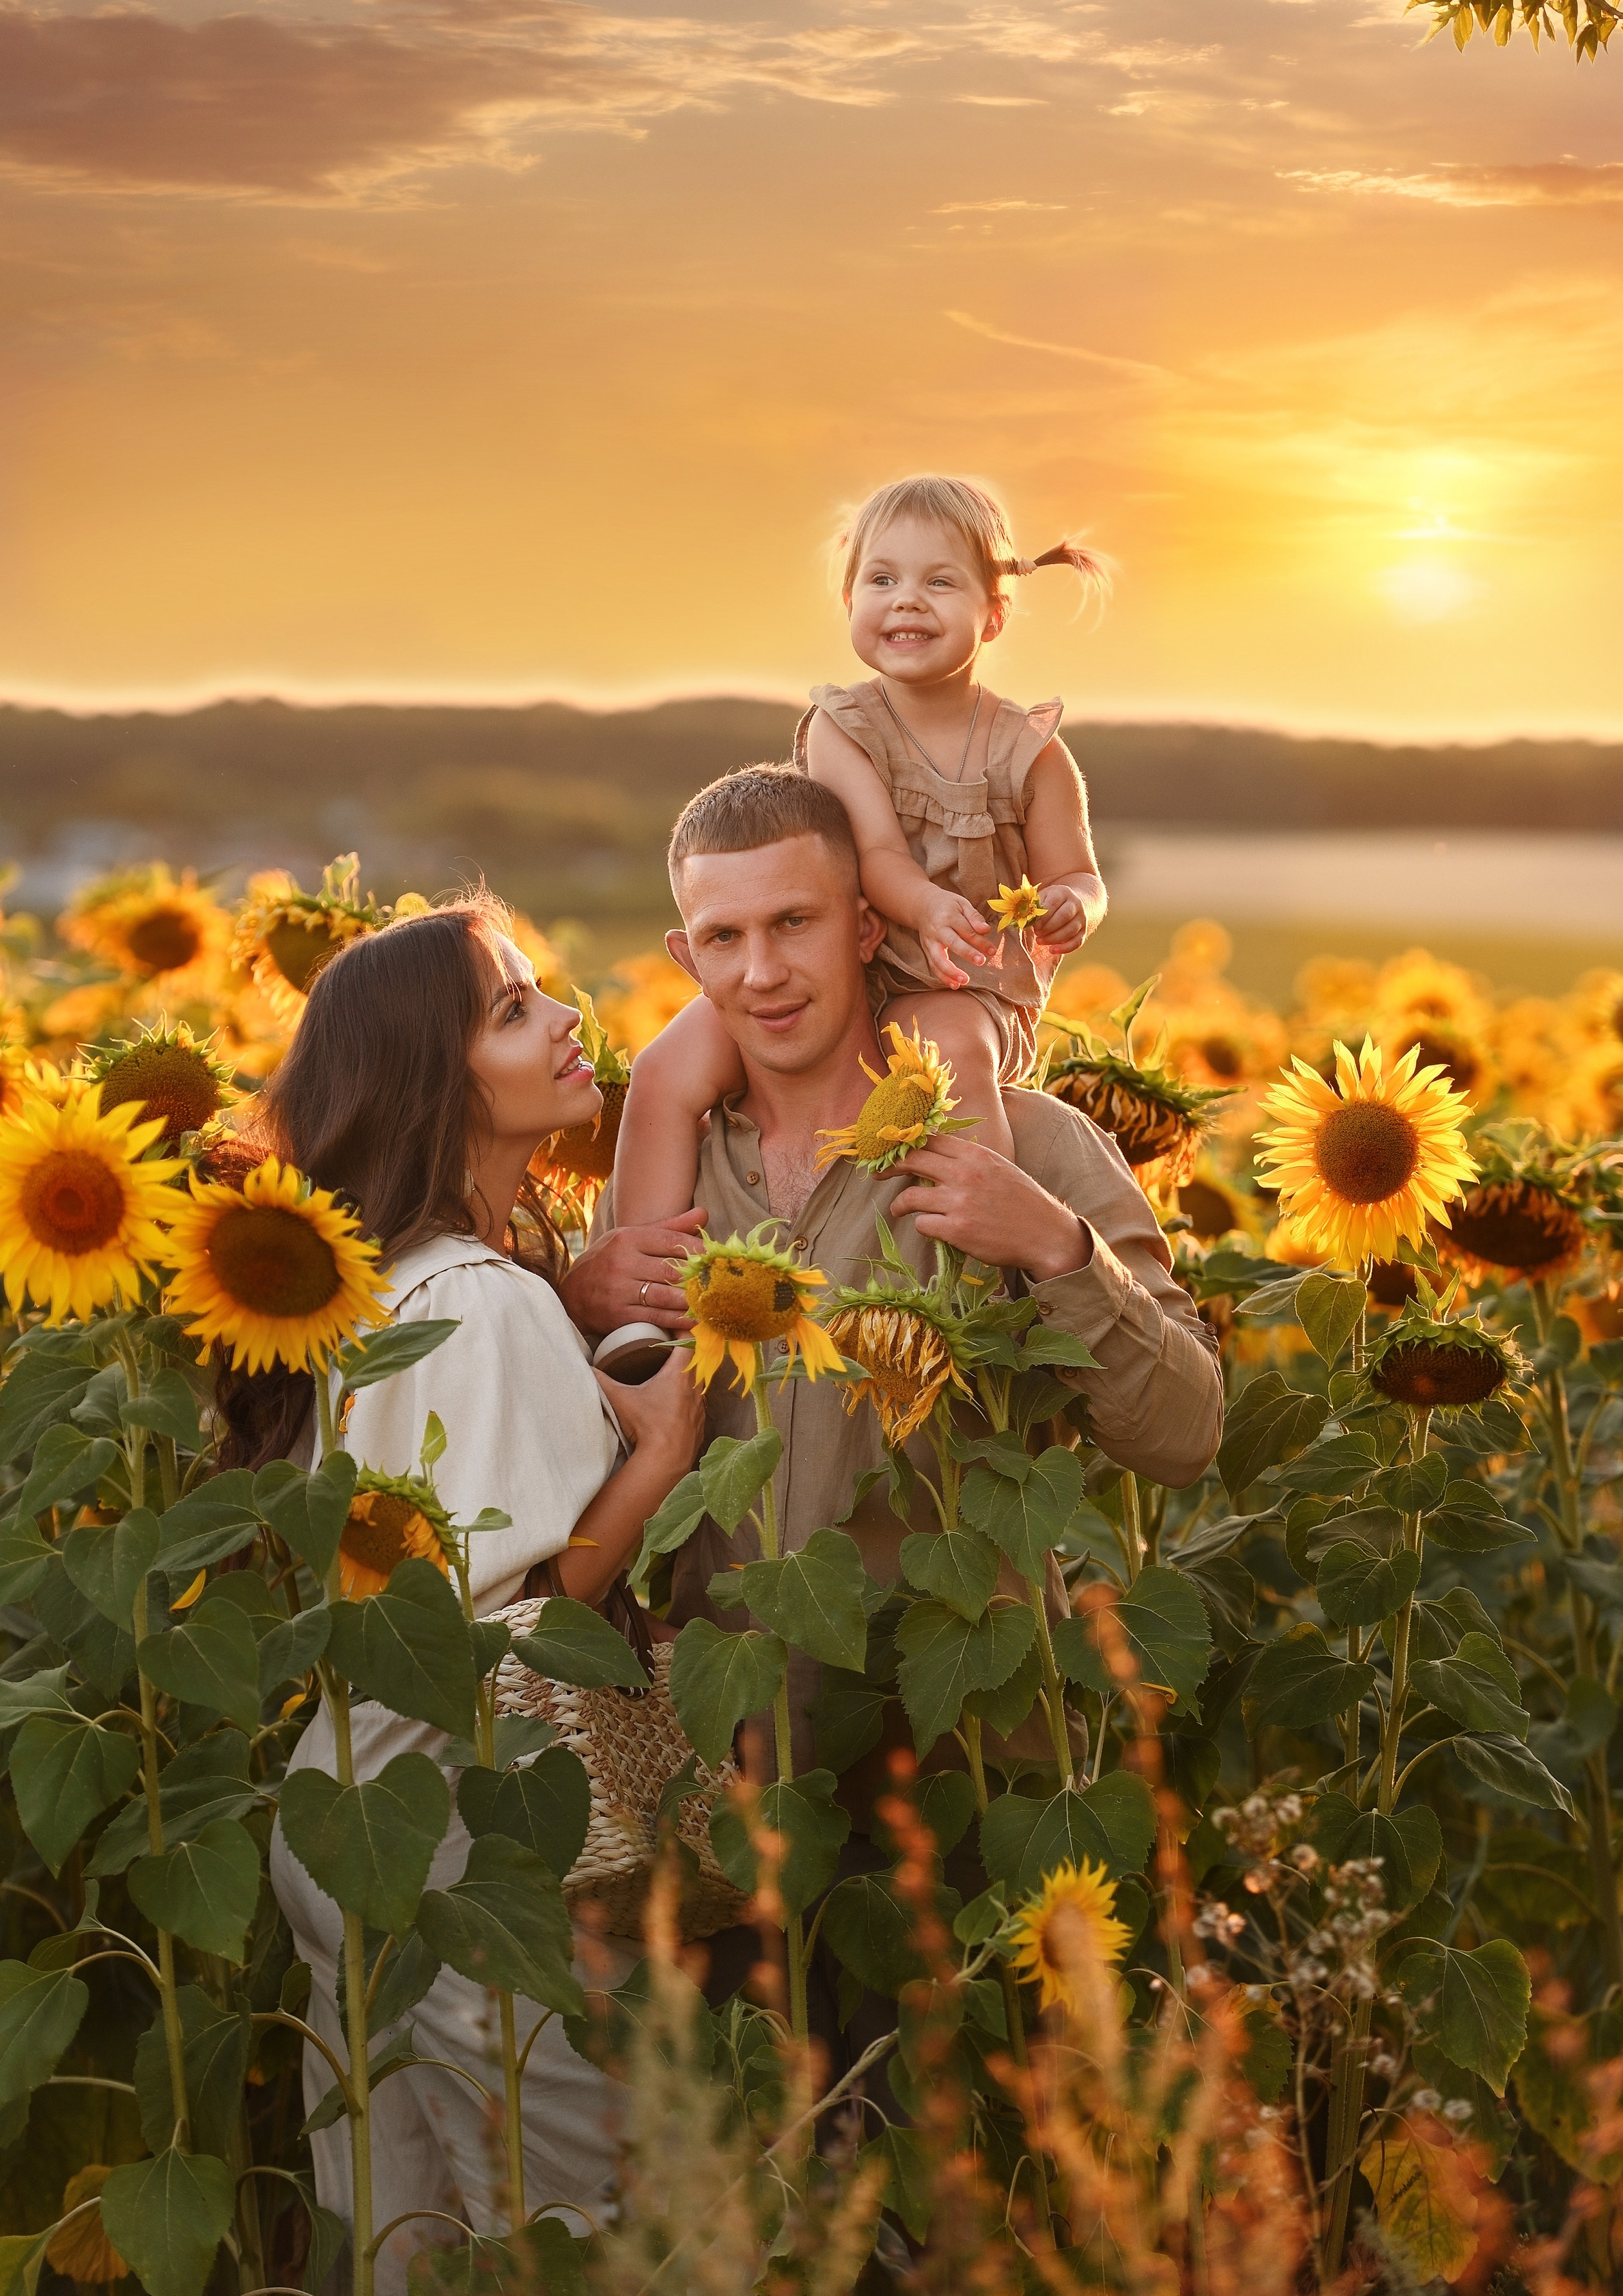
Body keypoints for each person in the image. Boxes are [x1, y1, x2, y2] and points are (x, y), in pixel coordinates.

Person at [228, 894, 703, 2294]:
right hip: (456, 1824)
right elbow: (530, 1605)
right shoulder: (480, 1299)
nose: (565, 1019)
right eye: (511, 1011)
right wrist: (666, 1445)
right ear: (437, 1085)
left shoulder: (387, 1288)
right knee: (571, 2227)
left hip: (346, 1808)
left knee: (401, 2234)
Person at [563, 764, 1221, 1715]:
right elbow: (585, 1487)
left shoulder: (1029, 1143)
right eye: (724, 938)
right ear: (687, 958)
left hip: (973, 1758)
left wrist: (1057, 1247)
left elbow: (1185, 1437)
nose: (761, 973)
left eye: (795, 922)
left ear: (868, 926)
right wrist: (575, 1308)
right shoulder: (663, 1185)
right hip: (739, 1775)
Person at [610, 473, 1109, 1224]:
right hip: (834, 965)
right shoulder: (843, 726)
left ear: (994, 614)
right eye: (882, 579)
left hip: (953, 986)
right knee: (663, 1069)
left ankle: (983, 1257)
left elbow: (1077, 872)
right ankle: (642, 1277)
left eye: (940, 582)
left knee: (951, 1062)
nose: (906, 599)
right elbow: (875, 855)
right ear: (850, 602)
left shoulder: (1031, 753)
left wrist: (1075, 904)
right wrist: (928, 904)